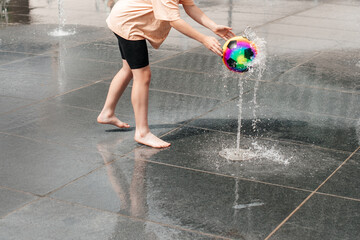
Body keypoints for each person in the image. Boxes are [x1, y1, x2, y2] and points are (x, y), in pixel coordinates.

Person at [97, 0, 235, 148]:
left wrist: (214, 27)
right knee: (143, 75)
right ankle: (142, 132)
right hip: (129, 23)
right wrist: (204, 39)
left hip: (124, 17)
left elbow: (189, 6)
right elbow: (174, 21)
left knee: (128, 69)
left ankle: (107, 112)